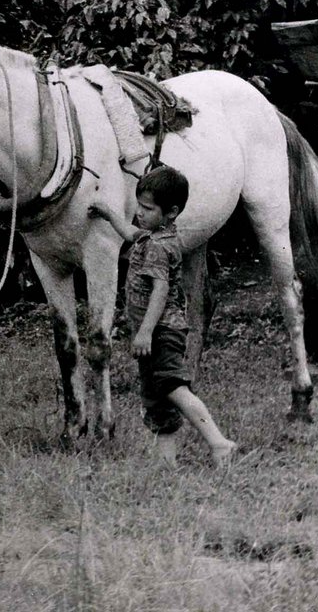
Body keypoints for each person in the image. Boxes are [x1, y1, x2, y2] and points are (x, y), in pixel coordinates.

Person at [88, 166, 236, 466]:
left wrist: (144, 332)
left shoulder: (157, 247)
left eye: (147, 208)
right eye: (139, 206)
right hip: (154, 331)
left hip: (161, 331)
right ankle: (167, 464)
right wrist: (108, 213)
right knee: (157, 400)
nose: (139, 213)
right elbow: (130, 232)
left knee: (173, 388)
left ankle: (219, 442)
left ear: (171, 212)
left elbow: (161, 290)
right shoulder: (152, 236)